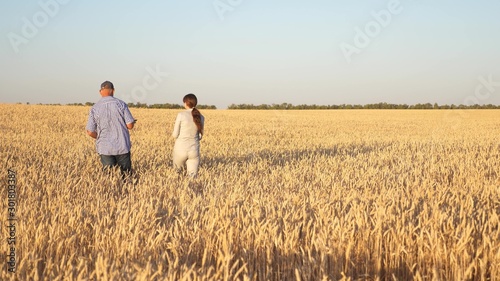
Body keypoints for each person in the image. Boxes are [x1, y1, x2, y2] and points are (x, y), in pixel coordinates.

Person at [86, 81, 136, 177]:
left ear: (100, 91)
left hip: (105, 148)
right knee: (126, 177)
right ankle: (126, 191)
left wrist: (100, 136)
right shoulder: (121, 104)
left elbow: (90, 131)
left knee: (109, 178)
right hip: (122, 147)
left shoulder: (94, 108)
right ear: (113, 90)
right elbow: (130, 125)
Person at [172, 94, 204, 178]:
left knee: (177, 176)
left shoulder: (181, 115)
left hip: (180, 149)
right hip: (194, 150)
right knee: (192, 177)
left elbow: (175, 135)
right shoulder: (201, 117)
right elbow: (200, 136)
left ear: (186, 103)